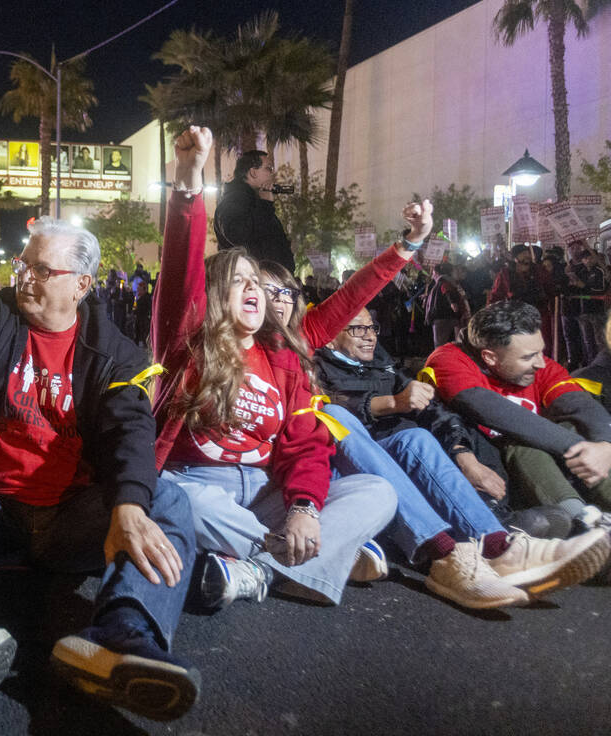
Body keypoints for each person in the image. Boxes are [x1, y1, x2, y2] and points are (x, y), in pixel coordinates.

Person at [0, 156, 198, 722]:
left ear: (82, 284)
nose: (25, 276)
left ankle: (125, 634)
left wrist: (127, 505)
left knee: (164, 497)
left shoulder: (116, 352)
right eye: (24, 266)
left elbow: (130, 428)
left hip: (68, 520)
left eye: (42, 270)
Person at [153, 126, 396, 610]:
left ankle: (257, 570)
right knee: (174, 502)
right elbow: (180, 267)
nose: (253, 289)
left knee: (375, 490)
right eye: (237, 281)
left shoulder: (285, 356)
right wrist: (188, 180)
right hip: (201, 485)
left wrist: (304, 507)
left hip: (266, 488)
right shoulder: (187, 342)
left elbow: (305, 445)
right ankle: (319, 557)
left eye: (257, 283)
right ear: (211, 297)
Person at [315, 307, 608, 607]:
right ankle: (448, 554)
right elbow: (495, 413)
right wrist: (390, 403)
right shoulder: (448, 359)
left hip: (434, 460)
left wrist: (461, 452)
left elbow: (435, 415)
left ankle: (500, 547)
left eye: (372, 327)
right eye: (357, 329)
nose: (370, 337)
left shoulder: (382, 364)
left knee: (417, 437)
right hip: (352, 469)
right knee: (336, 415)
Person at [425, 300, 611, 527]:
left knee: (577, 428)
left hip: (542, 470)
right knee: (520, 441)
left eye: (540, 351)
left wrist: (604, 446)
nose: (541, 363)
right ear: (490, 357)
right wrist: (577, 449)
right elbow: (497, 413)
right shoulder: (449, 360)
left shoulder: (542, 366)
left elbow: (580, 405)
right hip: (489, 470)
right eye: (528, 357)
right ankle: (582, 523)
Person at [213, 149, 293, 272]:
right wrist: (265, 204)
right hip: (255, 281)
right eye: (268, 169)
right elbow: (238, 235)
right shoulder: (234, 200)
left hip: (271, 281)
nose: (272, 173)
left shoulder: (255, 201)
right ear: (253, 172)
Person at [423, 261, 469, 348]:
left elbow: (447, 291)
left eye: (433, 273)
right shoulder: (452, 282)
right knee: (457, 343)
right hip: (452, 317)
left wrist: (452, 303)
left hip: (442, 318)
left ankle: (440, 360)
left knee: (439, 345)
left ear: (437, 273)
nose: (432, 276)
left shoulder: (443, 282)